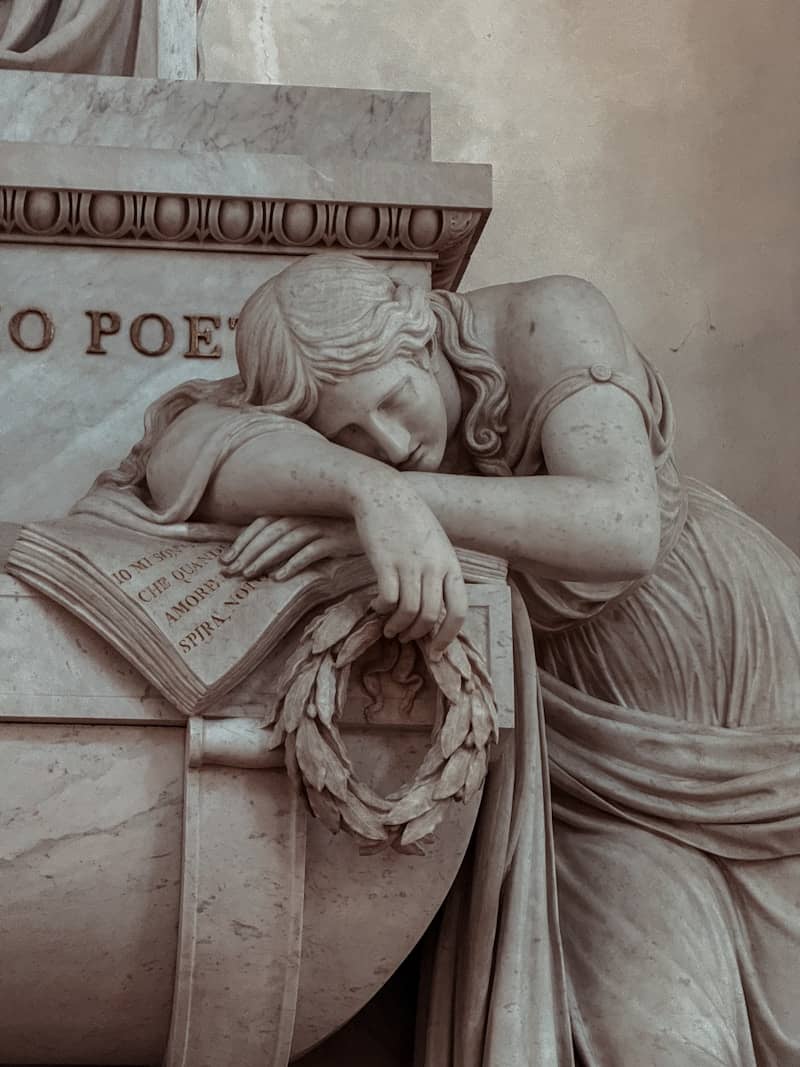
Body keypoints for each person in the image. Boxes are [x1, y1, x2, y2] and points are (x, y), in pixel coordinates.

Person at [73, 252, 800, 1067]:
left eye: (392, 400)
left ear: (419, 333)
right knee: (658, 1038)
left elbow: (622, 525)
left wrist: (402, 505)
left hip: (752, 687)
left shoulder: (549, 318)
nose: (389, 442)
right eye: (348, 435)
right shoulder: (359, 458)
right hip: (584, 760)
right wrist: (361, 491)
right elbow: (182, 451)